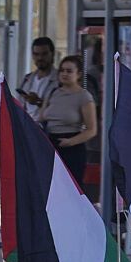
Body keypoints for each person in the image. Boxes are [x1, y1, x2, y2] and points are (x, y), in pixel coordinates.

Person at [37, 54, 99, 185]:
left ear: (79, 74)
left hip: (72, 146)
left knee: (70, 186)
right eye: (62, 70)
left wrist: (70, 142)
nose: (64, 74)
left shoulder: (84, 96)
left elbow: (91, 130)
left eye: (69, 71)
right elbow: (42, 116)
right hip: (50, 143)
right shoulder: (53, 92)